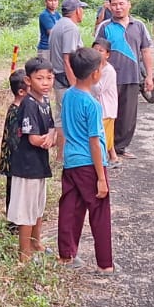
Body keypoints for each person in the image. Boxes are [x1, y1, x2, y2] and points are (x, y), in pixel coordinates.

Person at [57, 47, 112, 272]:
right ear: (95, 74)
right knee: (99, 212)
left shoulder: (68, 95)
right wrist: (101, 177)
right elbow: (94, 141)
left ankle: (67, 255)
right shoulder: (92, 104)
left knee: (70, 207)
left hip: (71, 161)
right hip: (90, 163)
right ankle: (105, 264)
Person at [95, 0, 154, 160]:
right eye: (114, 4)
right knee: (108, 114)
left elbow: (145, 51)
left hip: (132, 77)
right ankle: (105, 148)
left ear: (129, 4)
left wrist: (149, 76)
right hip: (108, 79)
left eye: (121, 3)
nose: (118, 7)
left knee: (128, 116)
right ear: (109, 6)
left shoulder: (139, 26)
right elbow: (97, 51)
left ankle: (120, 148)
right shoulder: (105, 27)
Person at [7, 59, 58, 263]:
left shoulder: (44, 101)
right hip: (26, 166)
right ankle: (24, 253)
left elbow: (52, 128)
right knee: (26, 211)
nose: (45, 83)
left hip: (40, 164)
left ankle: (36, 242)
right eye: (39, 78)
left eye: (49, 78)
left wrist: (52, 136)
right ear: (28, 80)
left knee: (38, 207)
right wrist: (47, 140)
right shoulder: (28, 104)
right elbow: (33, 138)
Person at [0, 69, 30, 218]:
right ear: (22, 92)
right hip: (14, 161)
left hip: (15, 161)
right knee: (14, 192)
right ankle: (13, 223)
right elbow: (13, 140)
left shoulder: (18, 110)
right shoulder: (16, 113)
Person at [47, 0, 86, 112]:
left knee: (61, 116)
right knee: (69, 116)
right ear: (78, 10)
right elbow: (67, 59)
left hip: (59, 77)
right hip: (65, 80)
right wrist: (75, 86)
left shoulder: (59, 24)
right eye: (82, 9)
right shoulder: (70, 28)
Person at [90, 36, 120, 165]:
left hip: (106, 109)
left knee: (103, 138)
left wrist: (88, 77)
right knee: (107, 135)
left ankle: (101, 161)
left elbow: (98, 89)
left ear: (107, 54)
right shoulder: (95, 68)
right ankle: (113, 157)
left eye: (101, 51)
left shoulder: (108, 71)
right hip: (98, 107)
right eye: (95, 50)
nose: (97, 53)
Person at [36, 0, 61, 64]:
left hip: (54, 48)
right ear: (46, 2)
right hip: (45, 48)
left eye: (55, 0)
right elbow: (51, 32)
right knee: (44, 69)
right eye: (50, 0)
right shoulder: (44, 15)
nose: (53, 3)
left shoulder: (57, 15)